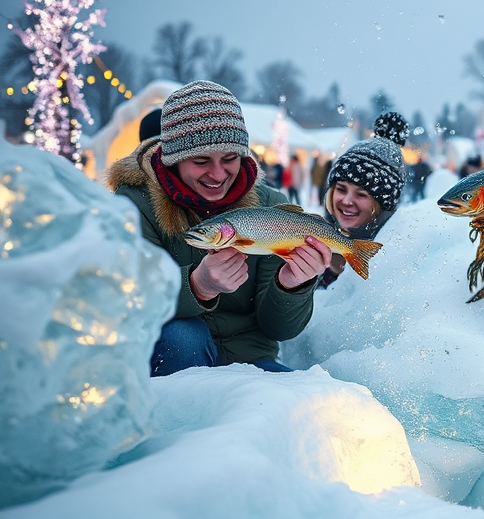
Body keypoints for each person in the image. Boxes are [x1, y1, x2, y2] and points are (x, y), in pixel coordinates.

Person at [106, 80, 331, 376]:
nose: (217, 174)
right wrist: (198, 287)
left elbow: (279, 329)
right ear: (173, 159)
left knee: (312, 407)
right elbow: (125, 302)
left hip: (250, 361)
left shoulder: (270, 207)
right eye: (201, 161)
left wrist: (292, 285)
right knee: (183, 336)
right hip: (171, 359)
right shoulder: (134, 204)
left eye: (229, 159)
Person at [319, 112, 410, 289]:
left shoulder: (394, 261)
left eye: (361, 194)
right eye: (341, 189)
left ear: (383, 205)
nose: (346, 201)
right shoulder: (313, 238)